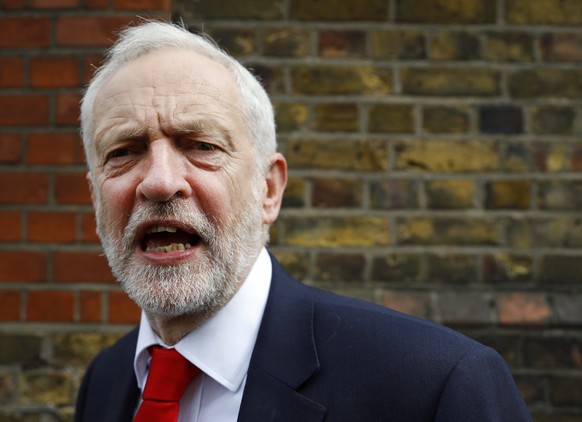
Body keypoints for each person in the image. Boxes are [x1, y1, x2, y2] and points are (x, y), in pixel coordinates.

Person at [75, 21, 531, 422]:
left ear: (268, 190)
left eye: (201, 145)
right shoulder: (107, 381)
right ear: (97, 198)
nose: (158, 182)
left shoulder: (435, 383)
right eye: (123, 152)